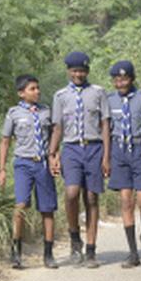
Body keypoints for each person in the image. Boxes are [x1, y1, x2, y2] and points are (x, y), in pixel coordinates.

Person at [48, 51, 111, 268]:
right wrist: (52, 153)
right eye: (75, 70)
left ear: (88, 71)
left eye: (82, 71)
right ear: (68, 71)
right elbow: (57, 127)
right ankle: (75, 238)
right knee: (71, 193)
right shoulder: (60, 96)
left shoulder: (98, 93)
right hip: (72, 149)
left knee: (92, 197)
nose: (78, 74)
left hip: (94, 148)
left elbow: (105, 125)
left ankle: (91, 249)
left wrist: (106, 156)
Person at [0, 75, 59, 270]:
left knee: (47, 209)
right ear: (21, 93)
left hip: (42, 164)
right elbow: (6, 141)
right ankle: (16, 251)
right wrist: (2, 169)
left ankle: (48, 254)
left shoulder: (46, 112)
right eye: (32, 89)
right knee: (20, 205)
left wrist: (54, 158)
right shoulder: (14, 113)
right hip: (23, 164)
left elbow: (53, 139)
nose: (37, 92)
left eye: (38, 88)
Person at [107, 60, 141, 268]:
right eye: (117, 79)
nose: (121, 83)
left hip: (139, 149)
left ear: (132, 79)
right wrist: (106, 158)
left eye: (124, 79)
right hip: (119, 151)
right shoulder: (109, 101)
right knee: (126, 201)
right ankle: (133, 252)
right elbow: (106, 130)